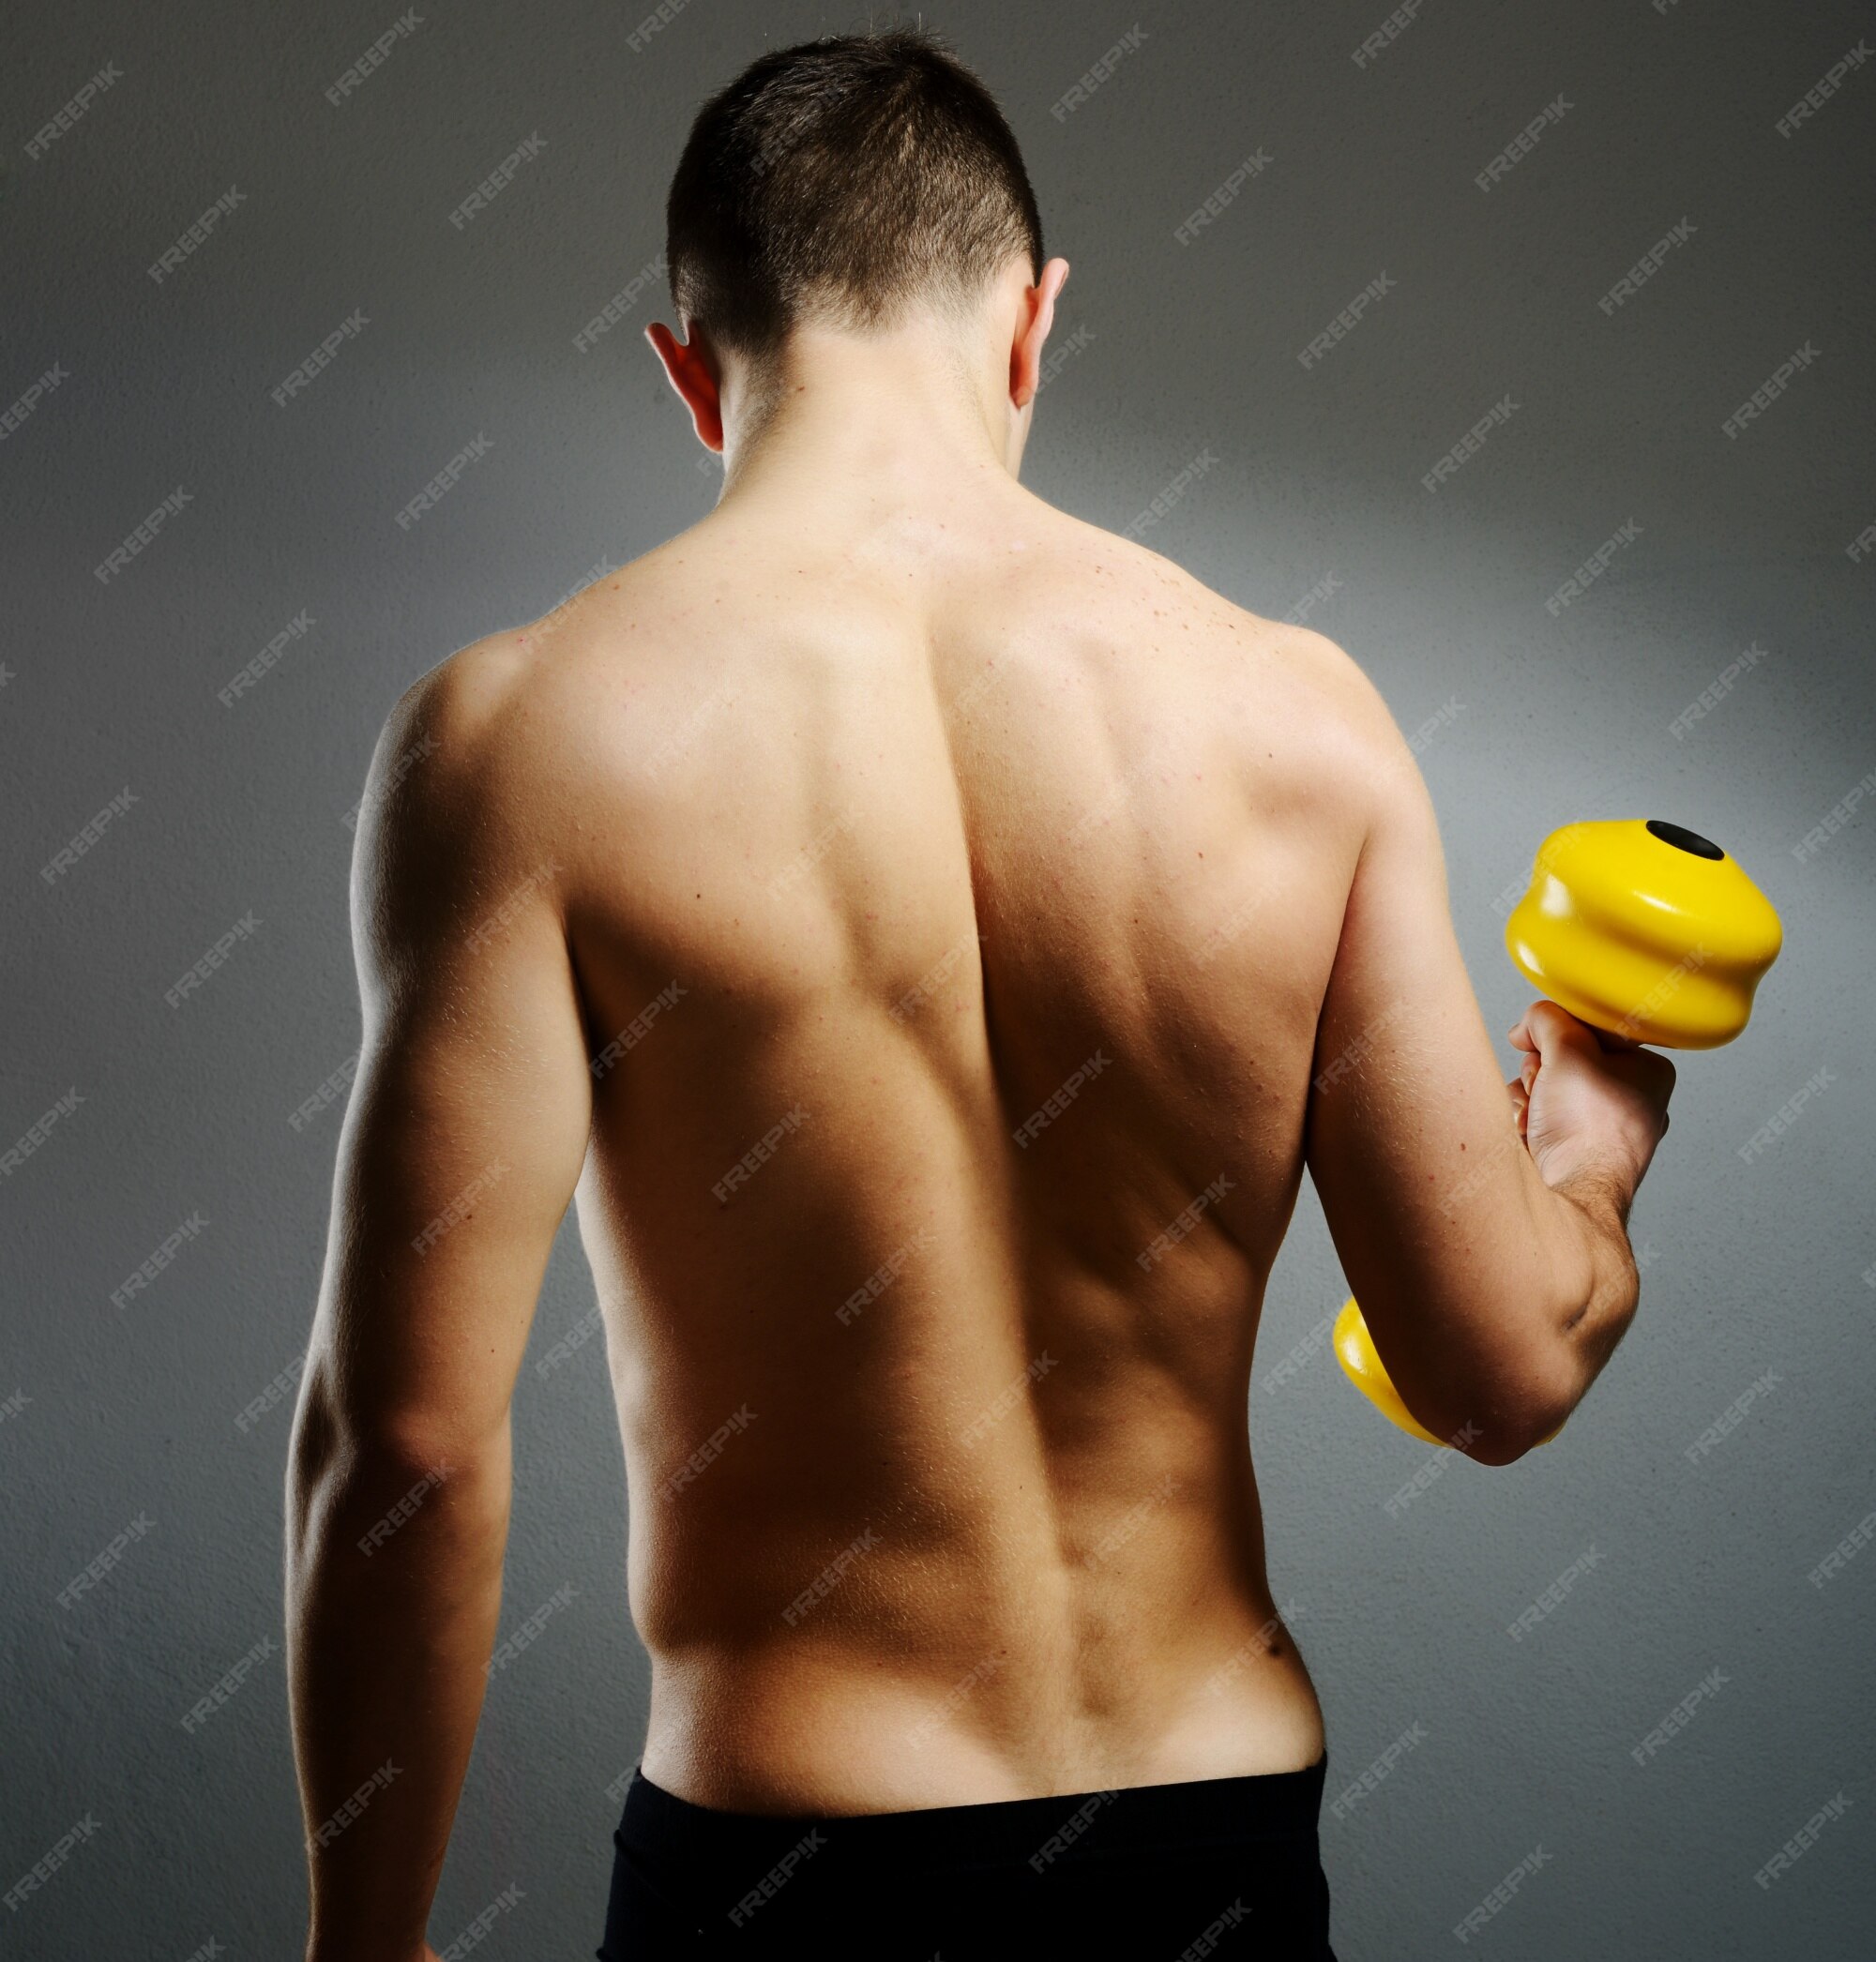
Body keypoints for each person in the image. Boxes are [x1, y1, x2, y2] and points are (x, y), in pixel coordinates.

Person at [284, 26, 1675, 1960]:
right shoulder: (1300, 721)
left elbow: (409, 1448)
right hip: (1207, 1843)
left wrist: (363, 1942)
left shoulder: (528, 742)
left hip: (789, 1858)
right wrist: (1590, 1162)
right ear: (1033, 326)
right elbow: (1497, 1367)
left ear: (688, 368)